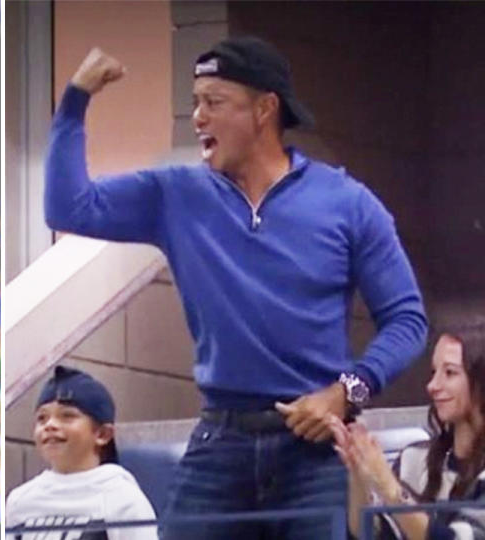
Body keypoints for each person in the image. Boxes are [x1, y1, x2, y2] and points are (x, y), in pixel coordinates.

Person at [45, 36, 428, 539]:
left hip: (316, 450)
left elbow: (407, 319)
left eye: (214, 102)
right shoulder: (174, 194)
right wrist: (75, 98)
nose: (198, 118)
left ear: (265, 109)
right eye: (195, 103)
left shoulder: (348, 203)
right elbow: (67, 207)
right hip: (219, 441)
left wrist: (347, 390)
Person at [329, 321, 485, 539]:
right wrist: (359, 473)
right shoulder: (414, 459)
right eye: (433, 372)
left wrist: (387, 484)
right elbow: (370, 534)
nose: (432, 385)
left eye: (449, 373)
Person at [5, 366, 157, 539]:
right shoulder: (19, 501)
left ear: (102, 434)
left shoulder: (123, 499)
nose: (50, 425)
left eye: (67, 416)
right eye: (42, 418)